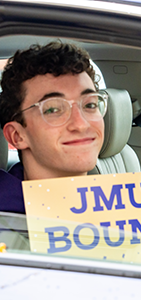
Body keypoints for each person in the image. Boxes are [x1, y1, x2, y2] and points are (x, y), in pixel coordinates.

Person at [0, 41, 107, 214]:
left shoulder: (126, 204)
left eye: (90, 105)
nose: (81, 124)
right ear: (17, 136)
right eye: (53, 109)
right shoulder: (7, 220)